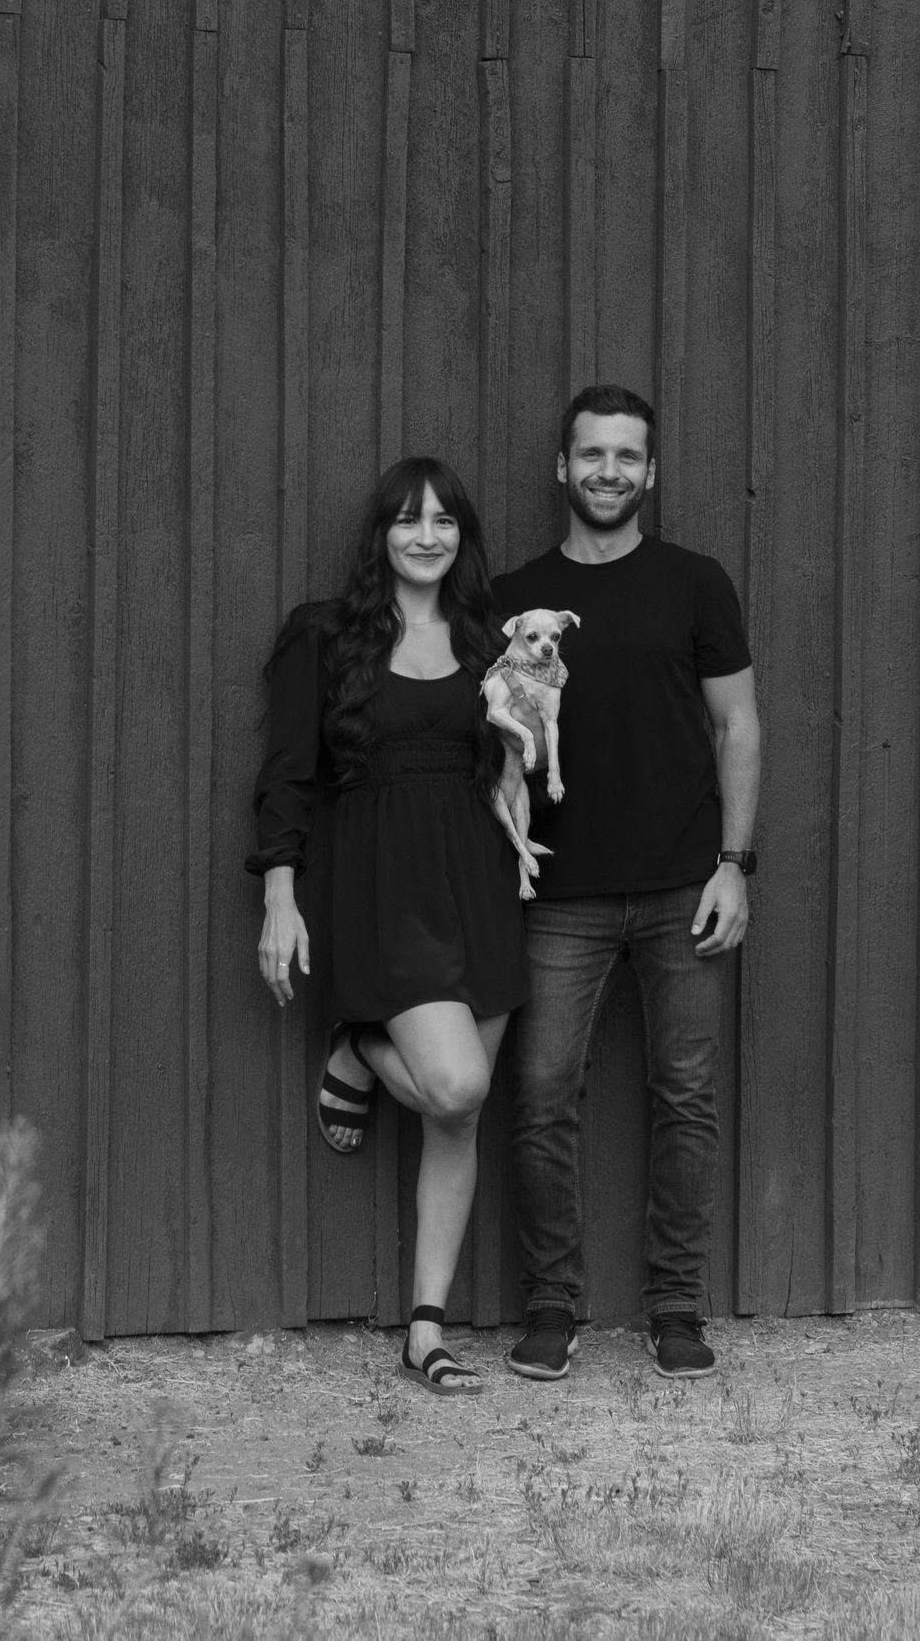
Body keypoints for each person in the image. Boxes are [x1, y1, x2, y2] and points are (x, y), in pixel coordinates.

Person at [494, 383, 761, 1383]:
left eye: (626, 457)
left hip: (682, 885)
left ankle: (675, 1306)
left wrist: (735, 865)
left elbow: (738, 726)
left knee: (684, 1094)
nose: (608, 471)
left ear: (649, 473)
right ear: (562, 468)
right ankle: (553, 1304)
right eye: (591, 454)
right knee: (541, 1091)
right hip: (555, 893)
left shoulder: (695, 584)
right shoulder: (512, 596)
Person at [249, 457, 527, 1396]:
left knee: (463, 1118)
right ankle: (364, 1046)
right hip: (378, 884)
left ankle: (425, 1329)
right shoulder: (325, 637)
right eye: (409, 519)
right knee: (455, 1085)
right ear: (382, 534)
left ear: (463, 537)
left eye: (445, 521)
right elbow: (288, 771)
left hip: (477, 879)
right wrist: (279, 893)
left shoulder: (489, 639)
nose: (427, 535)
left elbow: (510, 764)